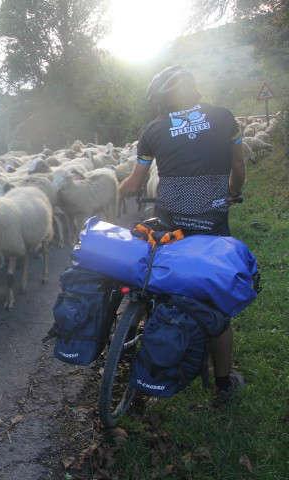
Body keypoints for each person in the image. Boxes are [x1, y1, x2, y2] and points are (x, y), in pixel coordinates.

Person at [119, 65, 246, 404]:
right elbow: (238, 166)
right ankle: (223, 385)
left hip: (170, 220)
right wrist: (234, 191)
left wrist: (117, 192)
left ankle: (157, 349)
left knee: (162, 284)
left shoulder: (153, 129)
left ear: (160, 100)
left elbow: (134, 182)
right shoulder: (223, 117)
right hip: (213, 220)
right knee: (214, 302)